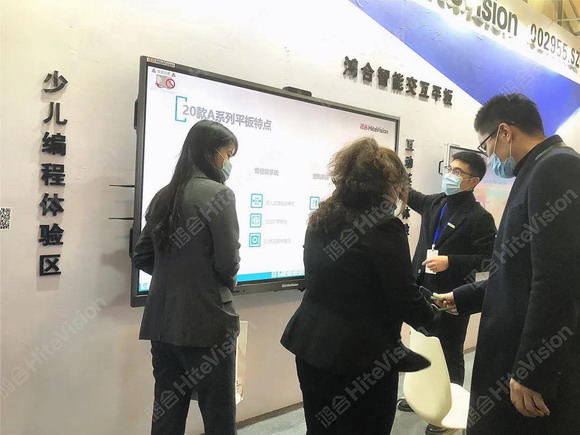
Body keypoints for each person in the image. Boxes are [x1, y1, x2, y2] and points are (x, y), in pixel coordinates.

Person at [434, 94, 580, 434]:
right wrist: (465, 296)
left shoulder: (556, 167)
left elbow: (557, 279)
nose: (490, 155)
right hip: (512, 350)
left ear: (504, 132)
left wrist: (533, 369)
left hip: (523, 359)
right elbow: (518, 271)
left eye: (486, 144)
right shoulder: (536, 169)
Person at [281, 138, 440, 434]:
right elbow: (403, 297)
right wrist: (432, 316)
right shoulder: (384, 226)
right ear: (388, 185)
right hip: (360, 358)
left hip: (311, 345)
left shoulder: (322, 216)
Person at [133, 120, 241, 435]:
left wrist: (175, 276)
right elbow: (228, 262)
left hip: (162, 323)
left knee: (167, 414)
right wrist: (209, 284)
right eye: (227, 154)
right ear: (211, 152)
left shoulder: (163, 195)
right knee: (218, 416)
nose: (228, 162)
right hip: (208, 323)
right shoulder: (220, 194)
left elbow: (141, 256)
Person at [398, 152, 497, 434]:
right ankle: (422, 397)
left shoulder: (479, 217)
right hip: (422, 288)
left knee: (450, 351)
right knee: (422, 344)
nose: (449, 175)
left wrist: (451, 261)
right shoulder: (436, 202)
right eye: (449, 169)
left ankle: (447, 410)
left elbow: (490, 258)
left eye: (457, 172)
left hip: (454, 295)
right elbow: (407, 193)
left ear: (473, 181)